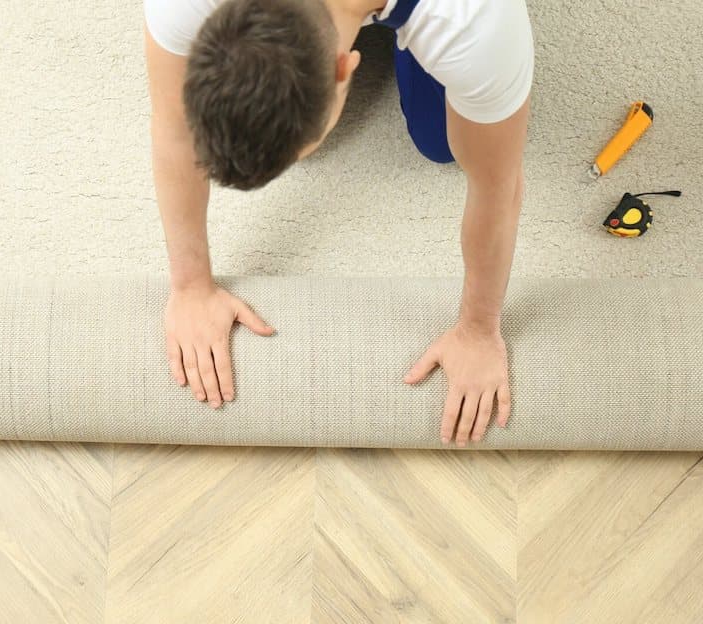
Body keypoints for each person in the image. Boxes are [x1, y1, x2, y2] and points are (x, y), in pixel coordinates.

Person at [144, 0, 534, 446]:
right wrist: (190, 285)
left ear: (345, 69)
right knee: (266, 120)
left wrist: (480, 330)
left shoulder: (476, 23)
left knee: (441, 142)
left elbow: (499, 188)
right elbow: (177, 126)